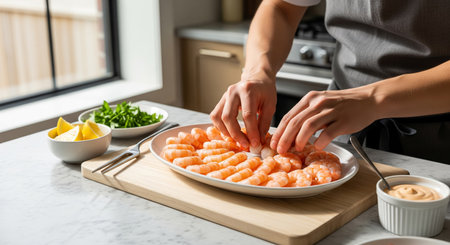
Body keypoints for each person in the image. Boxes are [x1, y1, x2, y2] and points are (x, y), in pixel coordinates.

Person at [210, 0, 450, 163]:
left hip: (438, 135)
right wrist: (257, 72)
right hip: (341, 127)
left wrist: (373, 98)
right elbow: (281, 7)